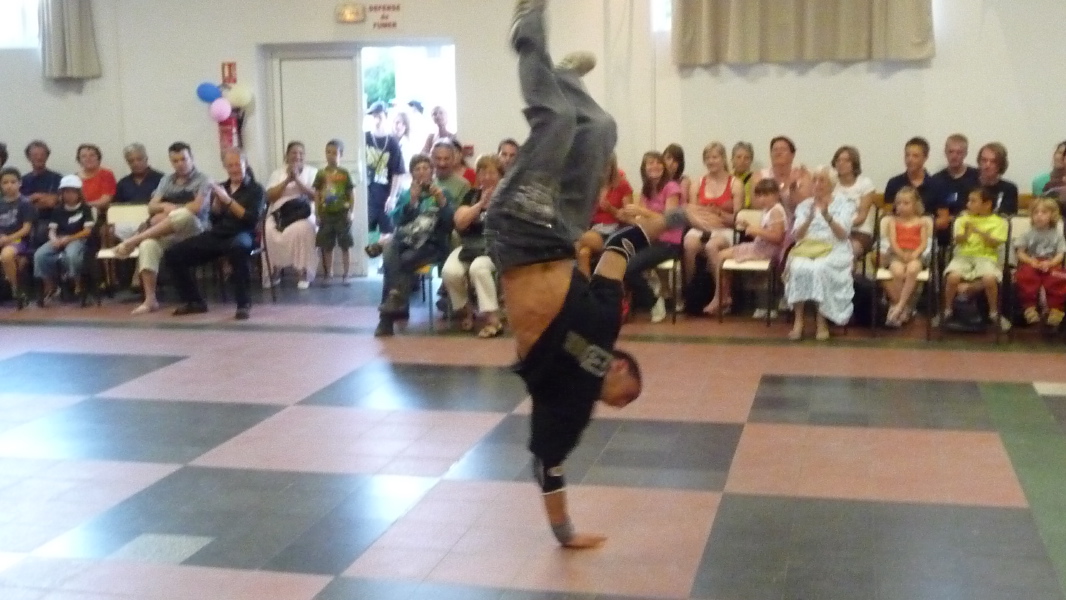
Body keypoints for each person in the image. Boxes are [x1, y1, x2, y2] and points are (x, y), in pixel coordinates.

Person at [485, 0, 711, 549]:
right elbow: (619, 249)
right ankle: (565, 77)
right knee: (601, 127)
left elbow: (548, 466)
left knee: (557, 121)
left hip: (518, 232)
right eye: (627, 385)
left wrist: (565, 534)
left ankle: (527, 30)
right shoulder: (606, 324)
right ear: (620, 363)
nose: (623, 394)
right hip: (562, 231)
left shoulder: (569, 403)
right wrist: (675, 218)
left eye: (624, 399)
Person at [163, 148, 265, 320]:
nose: (234, 169)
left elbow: (251, 220)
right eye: (230, 165)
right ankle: (194, 301)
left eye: (237, 164)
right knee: (173, 254)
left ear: (245, 164)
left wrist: (228, 201)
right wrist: (216, 206)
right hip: (219, 234)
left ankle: (243, 304)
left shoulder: (256, 189)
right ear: (225, 167)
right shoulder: (222, 187)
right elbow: (214, 219)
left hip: (243, 233)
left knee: (239, 248)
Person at [114, 142, 211, 314]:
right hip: (169, 232)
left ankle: (134, 240)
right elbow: (152, 206)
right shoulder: (166, 180)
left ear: (191, 158)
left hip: (195, 230)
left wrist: (171, 211)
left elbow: (196, 208)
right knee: (148, 245)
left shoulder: (203, 180)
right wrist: (165, 206)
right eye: (175, 161)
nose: (180, 164)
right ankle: (150, 300)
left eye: (183, 159)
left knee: (183, 215)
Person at [374, 154, 456, 336]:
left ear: (432, 171)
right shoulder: (406, 194)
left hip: (432, 245)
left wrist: (442, 202)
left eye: (425, 168)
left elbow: (450, 224)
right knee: (392, 254)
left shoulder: (443, 192)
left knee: (396, 259)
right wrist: (412, 202)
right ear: (412, 174)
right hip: (407, 242)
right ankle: (395, 302)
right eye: (417, 169)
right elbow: (396, 221)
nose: (422, 172)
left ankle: (386, 319)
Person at [784, 166, 855, 341]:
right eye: (814, 180)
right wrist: (808, 219)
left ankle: (821, 321)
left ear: (832, 184)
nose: (817, 184)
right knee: (797, 266)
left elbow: (843, 235)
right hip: (807, 247)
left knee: (820, 268)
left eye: (821, 180)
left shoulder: (844, 204)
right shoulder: (804, 205)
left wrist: (827, 216)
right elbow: (797, 236)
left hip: (834, 247)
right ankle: (798, 321)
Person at [705, 178, 787, 317]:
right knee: (720, 256)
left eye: (767, 195)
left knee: (720, 256)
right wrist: (749, 227)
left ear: (776, 195)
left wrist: (756, 230)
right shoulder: (768, 210)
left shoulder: (776, 211)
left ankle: (722, 296)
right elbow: (765, 232)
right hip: (761, 246)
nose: (762, 199)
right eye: (760, 195)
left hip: (766, 250)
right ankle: (724, 295)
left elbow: (777, 237)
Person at [442, 154, 503, 337]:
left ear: (501, 175)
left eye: (491, 173)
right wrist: (480, 205)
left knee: (478, 268)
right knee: (450, 271)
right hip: (470, 246)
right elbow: (460, 223)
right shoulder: (471, 195)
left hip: (496, 247)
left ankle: (492, 319)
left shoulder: (507, 196)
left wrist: (493, 205)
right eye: (482, 172)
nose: (486, 177)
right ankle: (467, 310)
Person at [622, 151, 684, 323]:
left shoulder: (671, 187)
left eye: (658, 162)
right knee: (619, 257)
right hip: (650, 238)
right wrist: (628, 217)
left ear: (664, 167)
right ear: (644, 168)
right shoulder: (646, 190)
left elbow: (670, 219)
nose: (654, 166)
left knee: (629, 268)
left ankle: (654, 301)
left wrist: (642, 211)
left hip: (669, 242)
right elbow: (642, 220)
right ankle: (626, 305)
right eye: (650, 163)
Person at [683, 142, 742, 297]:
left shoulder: (735, 184)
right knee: (689, 244)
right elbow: (692, 213)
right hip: (701, 227)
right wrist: (704, 219)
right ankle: (690, 293)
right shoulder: (697, 183)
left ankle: (721, 295)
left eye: (715, 157)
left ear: (723, 159)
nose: (711, 161)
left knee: (711, 246)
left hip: (725, 229)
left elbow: (738, 219)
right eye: (707, 158)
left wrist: (719, 214)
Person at [942, 187, 1008, 326]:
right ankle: (947, 310)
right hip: (963, 256)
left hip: (986, 257)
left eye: (973, 201)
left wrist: (978, 231)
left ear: (987, 204)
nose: (968, 204)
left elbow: (994, 243)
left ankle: (994, 313)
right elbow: (957, 240)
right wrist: (966, 233)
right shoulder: (963, 219)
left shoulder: (998, 222)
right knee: (952, 277)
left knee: (989, 279)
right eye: (968, 201)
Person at [264, 141, 318, 289]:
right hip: (280, 212)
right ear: (287, 156)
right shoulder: (277, 173)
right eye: (294, 152)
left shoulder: (312, 172)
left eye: (301, 153)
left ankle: (303, 272)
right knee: (268, 229)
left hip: (303, 212)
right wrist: (288, 179)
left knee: (303, 229)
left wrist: (297, 180)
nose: (297, 156)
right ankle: (274, 270)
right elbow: (269, 196)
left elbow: (315, 195)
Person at [34, 175, 94, 305]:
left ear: (79, 193)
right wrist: (54, 239)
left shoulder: (85, 209)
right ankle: (50, 285)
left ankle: (76, 283)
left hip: (78, 239)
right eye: (66, 192)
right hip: (60, 238)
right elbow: (52, 230)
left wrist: (69, 238)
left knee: (72, 255)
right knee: (40, 254)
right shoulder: (58, 210)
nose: (69, 195)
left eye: (73, 192)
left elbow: (87, 231)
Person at [881, 187, 931, 327]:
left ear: (915, 205)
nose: (901, 206)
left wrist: (915, 254)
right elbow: (893, 241)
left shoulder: (921, 222)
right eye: (899, 203)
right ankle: (905, 308)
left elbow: (923, 243)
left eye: (906, 203)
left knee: (912, 270)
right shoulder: (893, 221)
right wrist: (900, 254)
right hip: (896, 254)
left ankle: (899, 307)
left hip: (915, 254)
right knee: (897, 272)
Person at [1013, 197, 1066, 327]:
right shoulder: (1027, 233)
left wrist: (1051, 263)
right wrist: (1031, 261)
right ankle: (1029, 308)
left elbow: (1060, 254)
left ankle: (1056, 309)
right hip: (1033, 262)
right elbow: (1020, 252)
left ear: (1052, 215)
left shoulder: (1057, 234)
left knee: (1060, 278)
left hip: (1051, 264)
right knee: (1025, 276)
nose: (1039, 216)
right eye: (1036, 212)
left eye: (1044, 212)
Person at [314, 139, 355, 285]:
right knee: (327, 245)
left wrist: (351, 211)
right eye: (328, 152)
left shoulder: (345, 173)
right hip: (326, 214)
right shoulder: (321, 174)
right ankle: (329, 274)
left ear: (340, 154)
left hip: (342, 214)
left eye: (334, 153)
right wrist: (317, 213)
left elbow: (351, 193)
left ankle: (347, 273)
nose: (330, 156)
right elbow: (317, 194)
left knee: (345, 245)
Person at [366, 102, 405, 238]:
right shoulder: (365, 138)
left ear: (386, 116)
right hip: (368, 195)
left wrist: (392, 197)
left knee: (387, 233)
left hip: (385, 195)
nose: (376, 120)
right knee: (367, 232)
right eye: (374, 116)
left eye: (379, 116)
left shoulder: (392, 143)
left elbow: (397, 172)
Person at [831, 145, 877, 257]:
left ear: (854, 164)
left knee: (846, 252)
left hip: (859, 232)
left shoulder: (865, 184)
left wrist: (841, 226)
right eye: (838, 160)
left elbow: (861, 217)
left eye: (846, 160)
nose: (841, 163)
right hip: (834, 231)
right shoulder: (832, 185)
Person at [883, 137, 947, 211]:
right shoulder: (894, 183)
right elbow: (888, 213)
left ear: (925, 158)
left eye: (915, 156)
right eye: (907, 155)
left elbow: (943, 216)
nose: (910, 159)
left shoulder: (937, 185)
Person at [0, 167, 33, 308]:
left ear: (20, 183)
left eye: (13, 182)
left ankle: (16, 288)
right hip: (2, 239)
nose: (9, 185)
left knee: (6, 255)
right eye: (5, 182)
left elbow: (26, 229)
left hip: (19, 241)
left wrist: (8, 239)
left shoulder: (25, 203)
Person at [932, 134, 979, 232]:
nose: (954, 156)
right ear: (945, 152)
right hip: (943, 233)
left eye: (959, 152)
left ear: (965, 154)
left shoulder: (977, 177)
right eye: (951, 152)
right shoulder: (936, 180)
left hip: (970, 231)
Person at [19, 141, 62, 247]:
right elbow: (20, 205)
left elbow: (53, 202)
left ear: (47, 156)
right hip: (26, 221)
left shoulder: (57, 178)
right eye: (35, 155)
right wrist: (40, 198)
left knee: (41, 231)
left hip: (50, 220)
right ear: (28, 157)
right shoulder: (22, 180)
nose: (39, 158)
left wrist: (35, 198)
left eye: (42, 154)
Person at [589, 153, 633, 238]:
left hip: (614, 229)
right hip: (593, 226)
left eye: (606, 166)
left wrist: (611, 209)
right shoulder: (593, 184)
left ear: (612, 168)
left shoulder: (622, 184)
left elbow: (629, 218)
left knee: (588, 241)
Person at [976, 142, 1019, 215]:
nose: (987, 165)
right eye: (984, 160)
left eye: (993, 161)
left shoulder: (1009, 189)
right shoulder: (969, 185)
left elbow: (1009, 216)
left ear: (1001, 164)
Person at [74, 144, 117, 211]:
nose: (88, 159)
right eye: (84, 156)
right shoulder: (74, 178)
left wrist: (85, 206)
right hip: (79, 212)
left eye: (92, 155)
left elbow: (105, 200)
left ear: (98, 158)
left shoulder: (107, 174)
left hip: (102, 213)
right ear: (79, 160)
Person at [731, 141, 755, 209]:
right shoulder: (726, 178)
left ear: (751, 161)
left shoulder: (754, 180)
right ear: (732, 159)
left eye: (746, 158)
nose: (742, 161)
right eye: (738, 157)